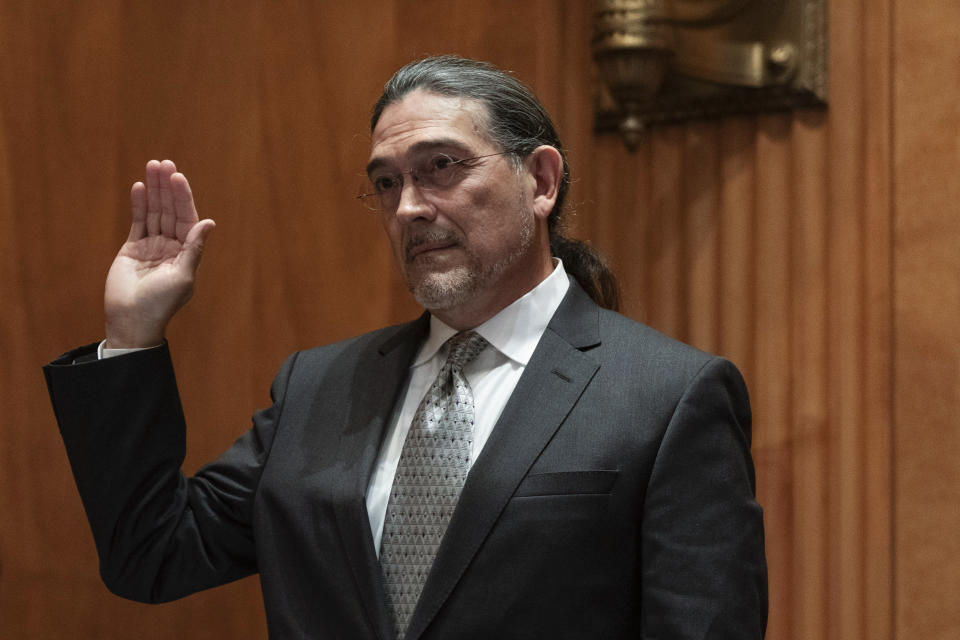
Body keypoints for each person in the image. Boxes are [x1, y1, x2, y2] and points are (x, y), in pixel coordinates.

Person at [44, 56, 767, 639]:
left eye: (442, 167)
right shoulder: (319, 386)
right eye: (387, 183)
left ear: (540, 181)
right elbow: (154, 555)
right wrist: (133, 335)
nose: (409, 208)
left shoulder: (667, 396)